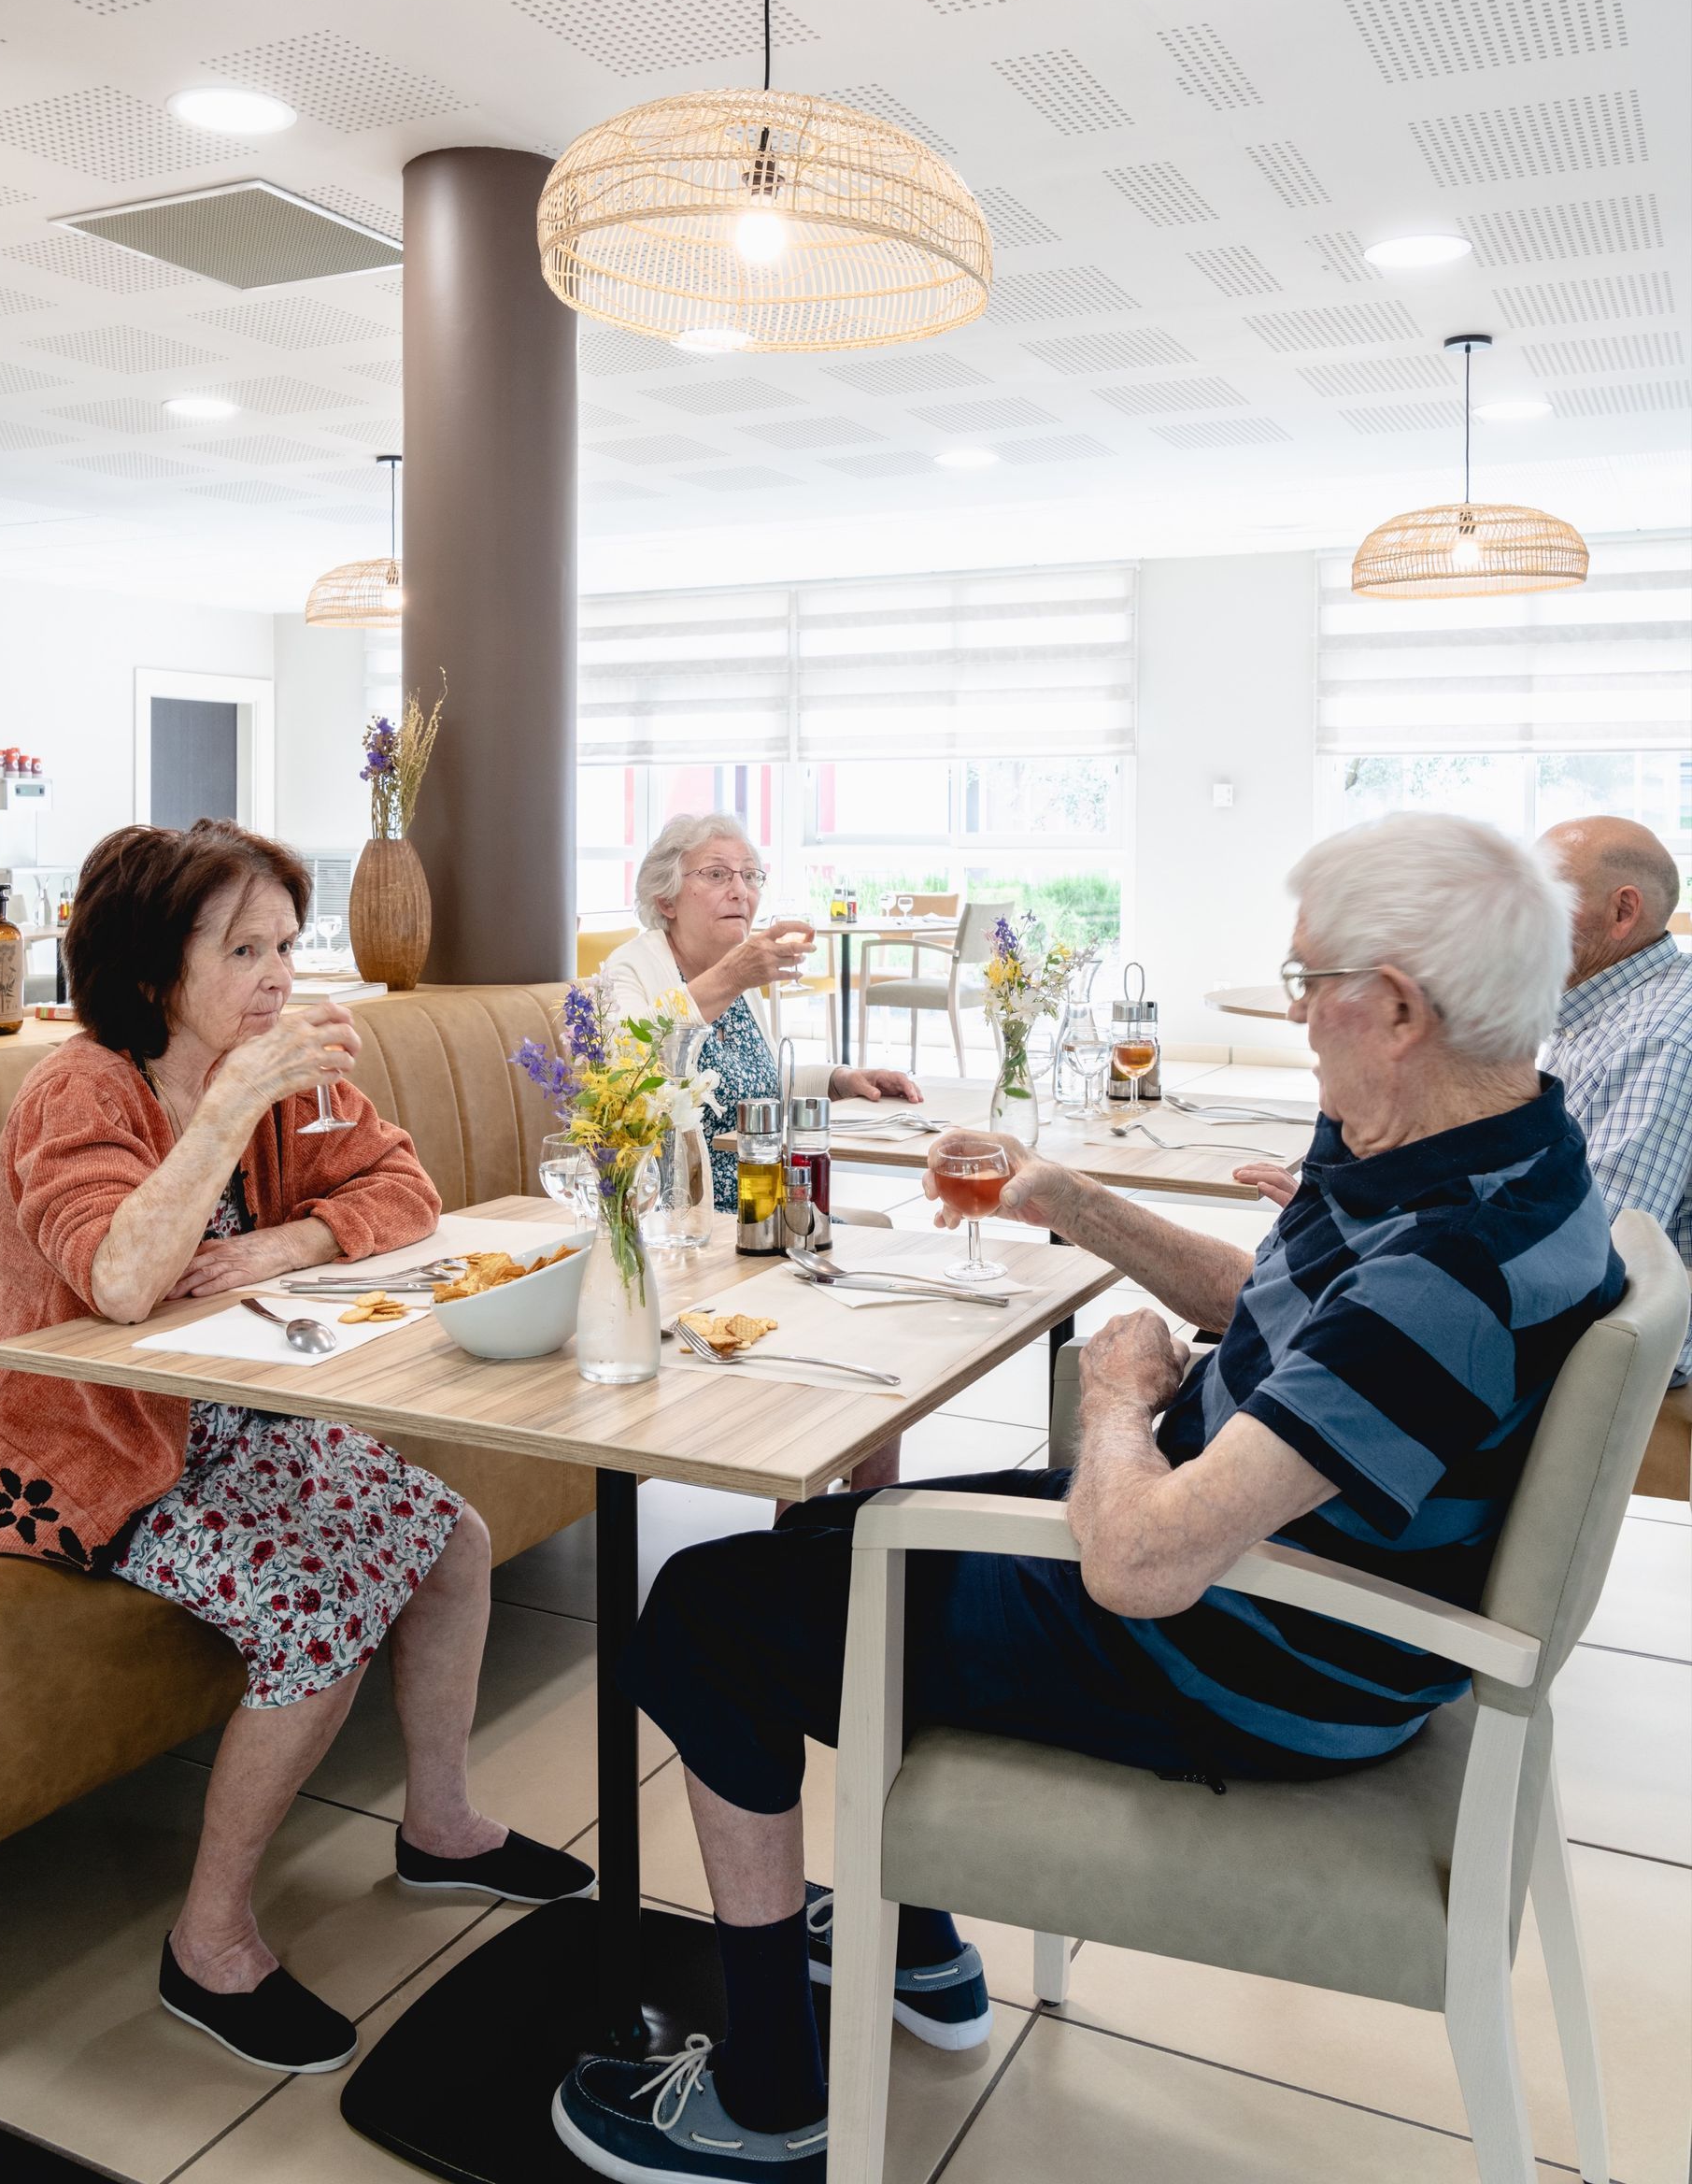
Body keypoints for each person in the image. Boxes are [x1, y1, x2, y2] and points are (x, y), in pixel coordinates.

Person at [549, 812, 1625, 2182]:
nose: (1297, 1022)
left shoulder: (1446, 1269)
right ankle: (914, 1944)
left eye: (1306, 989)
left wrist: (1118, 1397)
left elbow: (1138, 1561)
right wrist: (1070, 1201)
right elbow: (1289, 1316)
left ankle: (766, 2101)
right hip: (1288, 1571)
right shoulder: (1491, 1157)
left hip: (1249, 1645)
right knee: (825, 1543)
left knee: (706, 1608)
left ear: (1399, 1008)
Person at [0, 821, 592, 2077]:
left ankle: (442, 1826)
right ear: (148, 973)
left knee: (453, 1541)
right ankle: (209, 1940)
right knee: (318, 1604)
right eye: (244, 949)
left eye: (288, 943)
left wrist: (289, 1244)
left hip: (224, 1414)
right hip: (80, 1445)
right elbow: (121, 1283)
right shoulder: (81, 1089)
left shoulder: (287, 1070)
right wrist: (234, 1099)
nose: (282, 976)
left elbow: (404, 1191)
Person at [1236, 814, 1690, 1399]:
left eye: (1545, 897)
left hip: (1604, 1359)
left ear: (1623, 913)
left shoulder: (1661, 1037)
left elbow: (1585, 1256)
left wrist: (1392, 1236)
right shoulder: (1605, 1012)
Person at [604, 812, 923, 1215]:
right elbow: (630, 1066)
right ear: (666, 900)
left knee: (879, 1237)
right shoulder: (632, 966)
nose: (740, 891)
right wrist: (732, 975)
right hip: (688, 1220)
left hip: (768, 1206)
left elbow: (764, 1083)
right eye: (717, 874)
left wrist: (841, 1080)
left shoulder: (736, 972)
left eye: (750, 876)